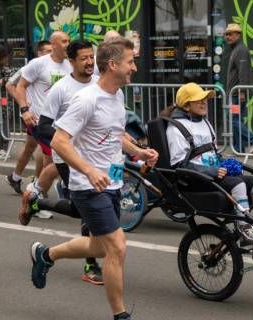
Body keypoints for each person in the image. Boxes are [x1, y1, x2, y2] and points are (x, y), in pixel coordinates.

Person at [29, 38, 158, 320]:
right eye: (130, 62)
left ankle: (46, 255)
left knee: (100, 246)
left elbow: (114, 134)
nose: (134, 68)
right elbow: (61, 141)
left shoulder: (118, 96)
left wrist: (139, 152)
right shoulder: (86, 100)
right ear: (113, 65)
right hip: (88, 186)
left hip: (111, 182)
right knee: (117, 247)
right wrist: (88, 170)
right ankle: (121, 315)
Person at [165, 83, 253, 246]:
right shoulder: (175, 129)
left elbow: (212, 153)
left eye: (205, 99)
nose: (204, 103)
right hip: (196, 180)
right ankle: (244, 229)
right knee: (238, 184)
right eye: (198, 100)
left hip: (215, 173)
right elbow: (179, 166)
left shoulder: (205, 123)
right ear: (186, 105)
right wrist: (211, 172)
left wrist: (226, 162)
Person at [19, 39, 104, 285]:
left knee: (81, 209)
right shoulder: (61, 89)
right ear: (72, 61)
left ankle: (36, 204)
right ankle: (90, 264)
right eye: (84, 58)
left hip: (94, 157)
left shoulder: (99, 83)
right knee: (89, 209)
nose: (90, 62)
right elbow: (43, 127)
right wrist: (67, 143)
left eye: (92, 57)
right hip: (68, 159)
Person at [17, 31, 72, 220]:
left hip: (64, 125)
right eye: (64, 41)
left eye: (69, 41)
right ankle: (37, 197)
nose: (67, 44)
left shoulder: (70, 64)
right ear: (53, 43)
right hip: (42, 123)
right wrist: (25, 110)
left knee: (56, 163)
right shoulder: (39, 64)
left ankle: (38, 191)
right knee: (54, 162)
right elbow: (19, 86)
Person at [5, 40, 52, 194]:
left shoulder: (58, 65)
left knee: (30, 147)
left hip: (49, 116)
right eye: (47, 51)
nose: (51, 54)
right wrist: (24, 103)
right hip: (33, 116)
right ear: (39, 52)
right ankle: (36, 187)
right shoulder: (34, 65)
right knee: (44, 150)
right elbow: (10, 84)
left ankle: (15, 177)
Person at [225, 23, 253, 154]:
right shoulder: (236, 49)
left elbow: (243, 72)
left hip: (236, 94)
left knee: (233, 119)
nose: (227, 37)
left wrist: (242, 91)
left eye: (231, 34)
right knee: (236, 120)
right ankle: (239, 148)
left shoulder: (241, 50)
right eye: (226, 34)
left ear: (238, 35)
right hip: (234, 93)